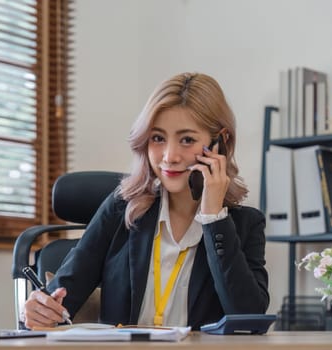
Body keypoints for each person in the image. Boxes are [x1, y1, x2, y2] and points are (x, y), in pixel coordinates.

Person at [23, 72, 269, 330]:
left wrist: (213, 218)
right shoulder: (121, 210)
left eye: (187, 140)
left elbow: (248, 320)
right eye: (158, 138)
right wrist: (40, 310)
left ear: (220, 142)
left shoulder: (245, 225)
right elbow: (60, 298)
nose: (169, 156)